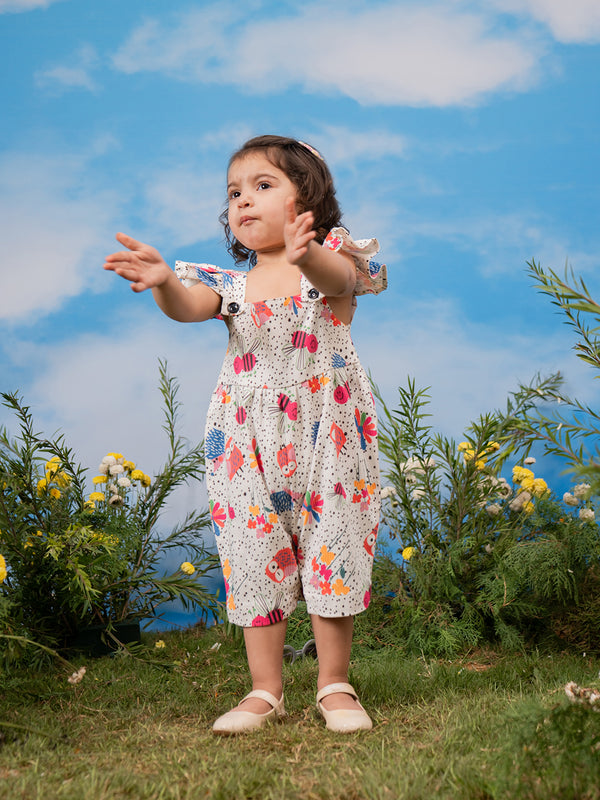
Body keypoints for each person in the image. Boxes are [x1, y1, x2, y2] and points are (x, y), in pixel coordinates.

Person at [104, 135, 387, 734]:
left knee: (334, 541)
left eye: (263, 186)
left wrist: (304, 252)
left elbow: (339, 281)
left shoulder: (333, 257)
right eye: (235, 192)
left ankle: (335, 684)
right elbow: (188, 306)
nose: (244, 201)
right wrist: (162, 281)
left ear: (307, 199)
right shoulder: (232, 285)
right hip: (245, 439)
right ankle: (266, 690)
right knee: (253, 553)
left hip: (329, 435)